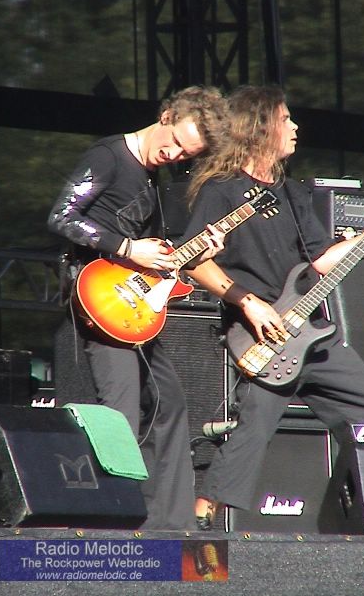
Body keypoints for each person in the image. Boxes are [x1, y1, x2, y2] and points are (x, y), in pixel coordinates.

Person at [181, 84, 364, 529]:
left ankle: (362, 511)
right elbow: (193, 259)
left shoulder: (292, 193)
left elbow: (322, 261)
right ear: (260, 127)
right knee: (253, 430)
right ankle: (201, 522)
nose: (294, 127)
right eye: (285, 119)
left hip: (310, 334)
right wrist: (248, 303)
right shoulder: (221, 191)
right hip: (262, 333)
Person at [47, 85, 230, 530]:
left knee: (170, 403)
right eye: (176, 142)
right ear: (166, 116)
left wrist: (195, 252)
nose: (174, 154)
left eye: (186, 154)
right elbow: (61, 217)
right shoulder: (109, 155)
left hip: (131, 304)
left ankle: (170, 523)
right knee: (121, 411)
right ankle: (113, 518)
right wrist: (127, 247)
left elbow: (153, 254)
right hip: (100, 300)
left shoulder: (152, 177)